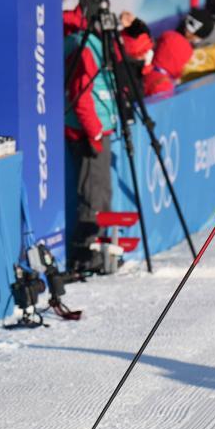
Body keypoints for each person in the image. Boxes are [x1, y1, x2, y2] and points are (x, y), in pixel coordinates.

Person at [63, 19, 119, 273]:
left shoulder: (97, 43)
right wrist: (94, 132)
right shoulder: (83, 46)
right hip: (87, 133)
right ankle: (85, 253)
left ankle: (96, 249)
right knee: (92, 196)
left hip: (96, 128)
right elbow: (80, 93)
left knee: (100, 193)